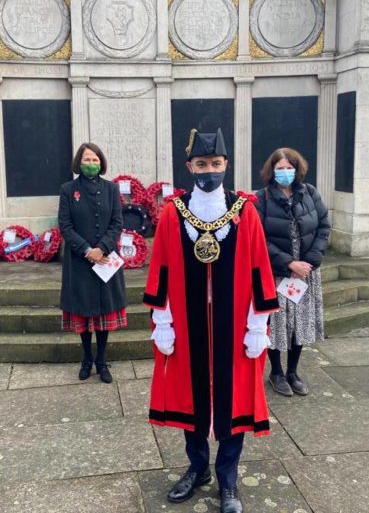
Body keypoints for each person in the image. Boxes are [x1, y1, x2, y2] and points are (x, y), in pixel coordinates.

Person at [144, 128, 278, 513]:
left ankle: (229, 479)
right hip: (188, 324)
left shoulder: (245, 210)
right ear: (190, 167)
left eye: (216, 164)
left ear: (226, 166)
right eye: (202, 164)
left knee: (233, 397)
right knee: (191, 395)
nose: (209, 170)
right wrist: (163, 320)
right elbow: (163, 268)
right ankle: (198, 467)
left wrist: (257, 325)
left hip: (233, 323)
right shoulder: (173, 212)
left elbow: (258, 268)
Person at [254, 148, 330, 397]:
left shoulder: (309, 193)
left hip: (306, 273)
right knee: (277, 324)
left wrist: (310, 261)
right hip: (278, 273)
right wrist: (288, 263)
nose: (285, 172)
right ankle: (276, 372)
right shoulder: (261, 198)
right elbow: (259, 238)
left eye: (289, 167)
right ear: (271, 170)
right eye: (280, 168)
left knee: (300, 323)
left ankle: (293, 372)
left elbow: (323, 226)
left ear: (297, 169)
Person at [58, 143, 128, 384]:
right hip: (80, 262)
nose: (91, 164)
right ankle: (86, 359)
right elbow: (65, 225)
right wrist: (88, 250)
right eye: (87, 160)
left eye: (95, 160)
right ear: (79, 163)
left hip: (106, 260)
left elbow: (117, 223)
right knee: (84, 316)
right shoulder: (68, 189)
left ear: (102, 163)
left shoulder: (111, 189)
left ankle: (101, 360)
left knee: (103, 314)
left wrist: (102, 248)